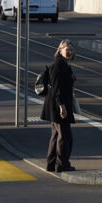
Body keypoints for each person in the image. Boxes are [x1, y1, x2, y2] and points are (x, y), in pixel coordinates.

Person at [40, 40, 77, 173]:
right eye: (67, 49)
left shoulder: (64, 65)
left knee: (56, 135)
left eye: (72, 50)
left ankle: (51, 164)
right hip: (58, 105)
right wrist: (62, 106)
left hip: (58, 104)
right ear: (60, 50)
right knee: (65, 137)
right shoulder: (58, 66)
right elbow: (56, 88)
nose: (70, 52)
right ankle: (61, 165)